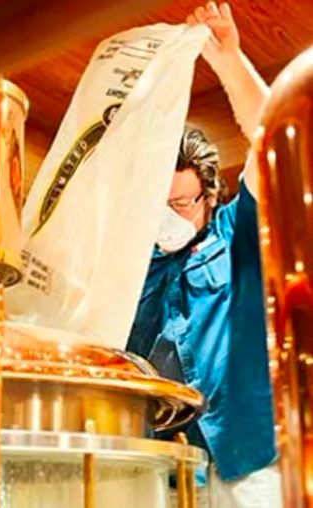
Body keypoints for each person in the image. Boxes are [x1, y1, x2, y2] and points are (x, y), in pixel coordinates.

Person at [126, 3, 280, 507]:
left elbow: (273, 137)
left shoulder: (236, 233)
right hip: (160, 464)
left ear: (208, 197)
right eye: (157, 204)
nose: (167, 217)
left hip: (247, 461)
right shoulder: (131, 263)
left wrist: (227, 58)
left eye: (180, 203)